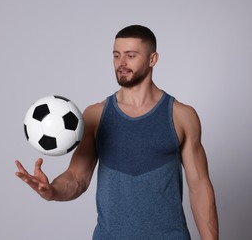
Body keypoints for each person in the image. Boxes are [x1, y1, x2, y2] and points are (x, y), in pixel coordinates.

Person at [15, 25, 219, 239]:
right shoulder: (95, 115)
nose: (121, 63)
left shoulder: (181, 116)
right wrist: (52, 191)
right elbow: (77, 178)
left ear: (152, 59)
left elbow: (199, 188)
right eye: (116, 55)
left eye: (130, 56)